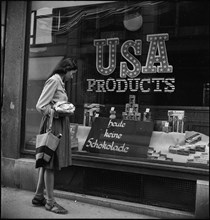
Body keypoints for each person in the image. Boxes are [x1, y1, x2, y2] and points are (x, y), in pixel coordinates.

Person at [32, 57, 78, 214]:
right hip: (53, 125)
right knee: (50, 163)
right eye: (72, 72)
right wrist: (58, 112)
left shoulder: (60, 81)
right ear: (66, 70)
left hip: (57, 124)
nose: (73, 76)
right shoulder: (54, 81)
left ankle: (39, 196)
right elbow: (40, 105)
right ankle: (50, 202)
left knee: (47, 161)